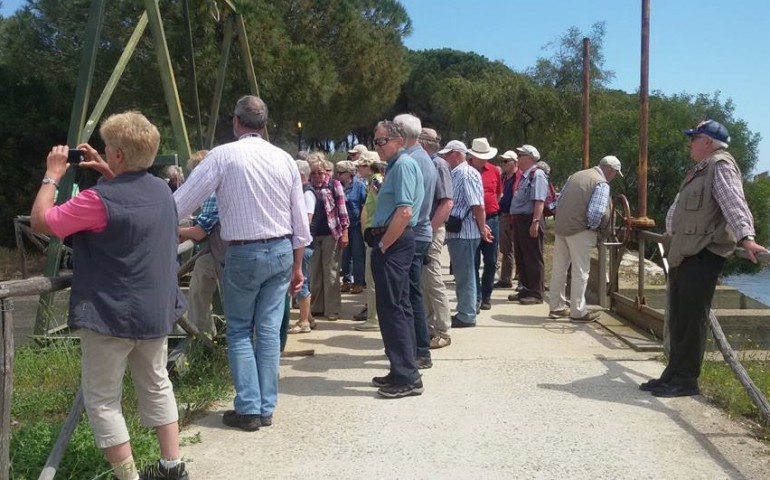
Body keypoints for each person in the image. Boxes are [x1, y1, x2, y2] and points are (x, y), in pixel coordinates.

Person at [30, 111, 189, 480]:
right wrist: (105, 169)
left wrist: (51, 175)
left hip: (109, 315)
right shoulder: (164, 193)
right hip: (154, 311)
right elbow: (130, 199)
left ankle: (128, 476)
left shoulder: (95, 201)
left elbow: (42, 220)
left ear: (118, 155)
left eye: (107, 149)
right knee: (156, 385)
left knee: (102, 400)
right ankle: (172, 466)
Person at [174, 95, 311, 430]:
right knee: (266, 331)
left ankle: (248, 408)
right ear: (264, 124)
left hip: (244, 253)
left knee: (238, 330)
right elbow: (300, 223)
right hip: (281, 252)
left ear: (236, 122)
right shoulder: (284, 159)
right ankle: (266, 407)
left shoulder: (223, 155)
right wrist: (297, 267)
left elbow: (180, 203)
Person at [641, 119, 768, 398]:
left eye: (695, 138)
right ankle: (672, 373)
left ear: (708, 142)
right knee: (678, 318)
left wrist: (746, 238)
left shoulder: (720, 165)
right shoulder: (700, 169)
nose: (690, 143)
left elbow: (734, 203)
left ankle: (686, 380)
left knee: (692, 318)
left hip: (702, 253)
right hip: (685, 251)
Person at [368, 120, 425, 398]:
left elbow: (404, 212)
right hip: (395, 240)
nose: (377, 146)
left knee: (394, 309)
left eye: (381, 141)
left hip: (394, 242)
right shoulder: (396, 166)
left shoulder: (402, 165)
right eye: (375, 141)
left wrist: (383, 244)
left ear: (398, 140)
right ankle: (401, 368)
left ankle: (407, 375)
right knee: (396, 307)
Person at [548, 155, 624, 323]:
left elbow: (558, 201)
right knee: (580, 272)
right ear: (610, 171)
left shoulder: (575, 176)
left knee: (559, 269)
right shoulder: (601, 183)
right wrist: (593, 229)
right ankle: (578, 311)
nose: (613, 177)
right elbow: (596, 213)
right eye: (615, 174)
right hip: (580, 230)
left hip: (561, 228)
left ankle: (556, 307)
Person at [393, 113, 435, 369]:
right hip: (419, 232)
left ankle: (419, 349)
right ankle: (418, 348)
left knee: (409, 296)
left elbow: (407, 209)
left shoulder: (412, 161)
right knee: (412, 294)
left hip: (413, 233)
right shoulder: (422, 158)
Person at [441, 140, 493, 328]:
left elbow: (477, 205)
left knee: (465, 274)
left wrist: (481, 228)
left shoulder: (465, 173)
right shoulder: (463, 172)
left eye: (447, 154)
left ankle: (466, 314)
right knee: (465, 273)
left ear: (456, 154)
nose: (445, 158)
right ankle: (466, 311)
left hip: (464, 231)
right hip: (463, 230)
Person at [177, 150, 225, 341]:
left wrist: (177, 231)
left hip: (222, 253)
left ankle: (199, 335)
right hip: (229, 250)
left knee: (199, 286)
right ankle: (206, 333)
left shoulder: (212, 194)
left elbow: (199, 232)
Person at [418, 128, 454, 349]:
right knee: (424, 282)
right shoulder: (426, 163)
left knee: (433, 280)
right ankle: (429, 327)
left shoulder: (438, 165)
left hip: (432, 229)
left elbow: (446, 202)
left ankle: (443, 330)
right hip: (425, 229)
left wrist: (429, 231)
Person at [307, 153, 350, 320]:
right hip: (312, 235)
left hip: (331, 233)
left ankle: (332, 309)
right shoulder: (307, 188)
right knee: (315, 272)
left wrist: (345, 232)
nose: (317, 176)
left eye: (320, 172)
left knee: (331, 272)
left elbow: (342, 210)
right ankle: (317, 306)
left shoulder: (334, 185)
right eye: (313, 173)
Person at [508, 144, 548, 305]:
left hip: (530, 219)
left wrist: (535, 222)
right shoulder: (524, 176)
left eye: (521, 155)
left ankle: (536, 292)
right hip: (520, 220)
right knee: (521, 255)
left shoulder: (537, 175)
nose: (518, 158)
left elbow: (539, 201)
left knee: (532, 256)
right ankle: (525, 287)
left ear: (530, 157)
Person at [467, 138, 502, 311]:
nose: (483, 160)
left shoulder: (494, 171)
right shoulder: (465, 170)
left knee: (491, 260)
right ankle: (476, 296)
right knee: (472, 261)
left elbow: (498, 192)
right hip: (471, 221)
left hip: (491, 218)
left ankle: (487, 295)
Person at [354, 152, 385, 331]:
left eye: (361, 165)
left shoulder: (376, 181)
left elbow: (382, 205)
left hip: (374, 234)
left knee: (372, 278)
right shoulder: (373, 181)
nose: (358, 169)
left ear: (368, 166)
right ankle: (373, 316)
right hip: (371, 233)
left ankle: (374, 319)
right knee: (371, 278)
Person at [288, 159, 317, 334]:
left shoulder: (307, 194)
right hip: (303, 243)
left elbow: (306, 220)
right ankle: (309, 317)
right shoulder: (304, 192)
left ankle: (304, 321)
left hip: (303, 245)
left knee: (302, 282)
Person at [337, 160, 367, 294]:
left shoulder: (359, 186)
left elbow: (364, 204)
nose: (338, 175)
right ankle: (346, 281)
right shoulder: (337, 186)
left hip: (356, 225)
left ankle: (358, 282)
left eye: (341, 173)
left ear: (349, 173)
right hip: (342, 225)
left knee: (357, 254)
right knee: (345, 255)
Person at [496, 150, 521, 290]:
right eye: (502, 161)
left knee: (520, 249)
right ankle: (505, 279)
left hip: (516, 217)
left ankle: (522, 281)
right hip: (504, 215)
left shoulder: (520, 176)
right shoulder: (503, 177)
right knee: (506, 249)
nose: (503, 164)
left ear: (514, 162)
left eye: (506, 161)